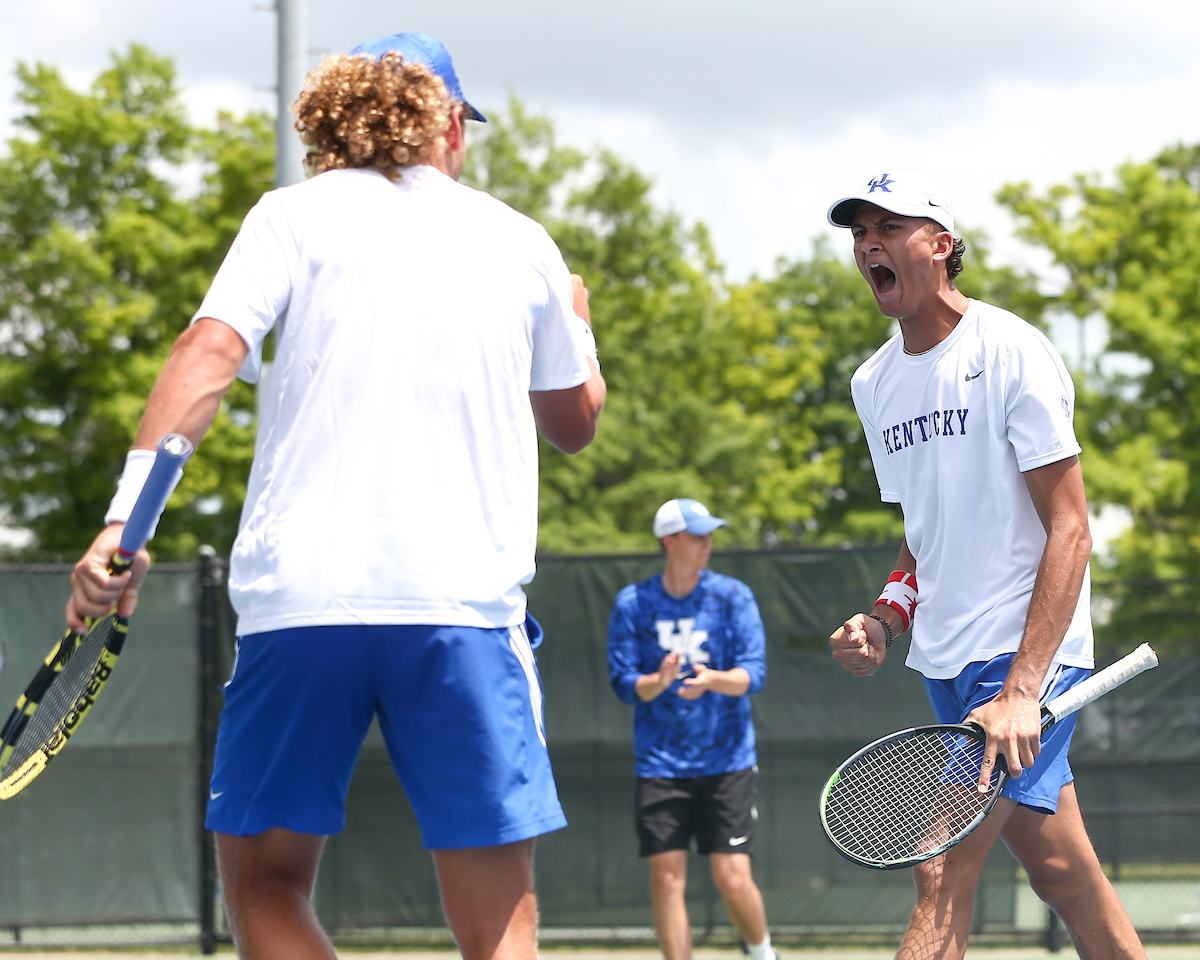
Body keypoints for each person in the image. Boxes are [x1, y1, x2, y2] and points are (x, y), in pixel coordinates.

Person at [66, 32, 606, 960]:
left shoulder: (289, 215)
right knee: (500, 924)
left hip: (302, 605)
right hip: (464, 616)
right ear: (446, 124)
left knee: (267, 890)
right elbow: (574, 421)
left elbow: (206, 356)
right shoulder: (524, 244)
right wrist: (581, 335)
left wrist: (129, 518)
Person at [826, 169, 1145, 960]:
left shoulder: (1011, 350)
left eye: (889, 227)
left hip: (1023, 660)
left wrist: (1023, 690)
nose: (870, 244)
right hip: (947, 660)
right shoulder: (875, 383)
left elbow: (1070, 528)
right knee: (1066, 874)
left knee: (938, 866)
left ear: (941, 245)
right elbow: (921, 532)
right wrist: (885, 616)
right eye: (860, 232)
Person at [607, 499, 775, 960]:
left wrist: (710, 680)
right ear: (669, 542)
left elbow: (753, 675)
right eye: (697, 535)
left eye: (710, 534)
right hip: (660, 764)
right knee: (665, 878)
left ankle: (762, 953)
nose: (708, 544)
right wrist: (657, 681)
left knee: (732, 876)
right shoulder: (633, 604)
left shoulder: (732, 596)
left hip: (728, 760)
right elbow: (624, 686)